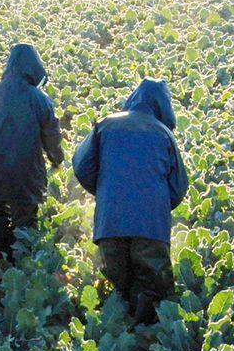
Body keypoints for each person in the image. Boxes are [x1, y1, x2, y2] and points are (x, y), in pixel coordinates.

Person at [72, 78, 188, 325]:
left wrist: (105, 192)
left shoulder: (106, 125)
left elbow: (82, 166)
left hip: (110, 221)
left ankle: (118, 344)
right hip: (150, 226)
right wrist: (158, 208)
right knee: (153, 291)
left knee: (116, 290)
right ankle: (147, 345)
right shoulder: (163, 133)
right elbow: (178, 186)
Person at [0, 43, 64, 266]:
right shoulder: (40, 100)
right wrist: (57, 160)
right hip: (25, 175)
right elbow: (51, 137)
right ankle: (22, 268)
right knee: (24, 222)